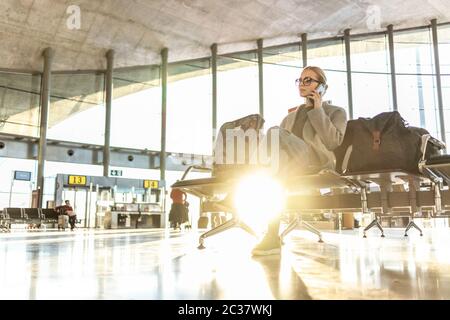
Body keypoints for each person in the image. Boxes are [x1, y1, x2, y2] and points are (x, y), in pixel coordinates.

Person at [251, 66, 348, 256]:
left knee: (273, 132)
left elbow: (333, 141)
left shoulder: (335, 112)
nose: (302, 84)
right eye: (300, 80)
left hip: (316, 163)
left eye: (308, 80)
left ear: (322, 87)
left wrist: (318, 110)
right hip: (290, 166)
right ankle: (271, 237)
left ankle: (249, 181)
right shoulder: (289, 117)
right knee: (275, 179)